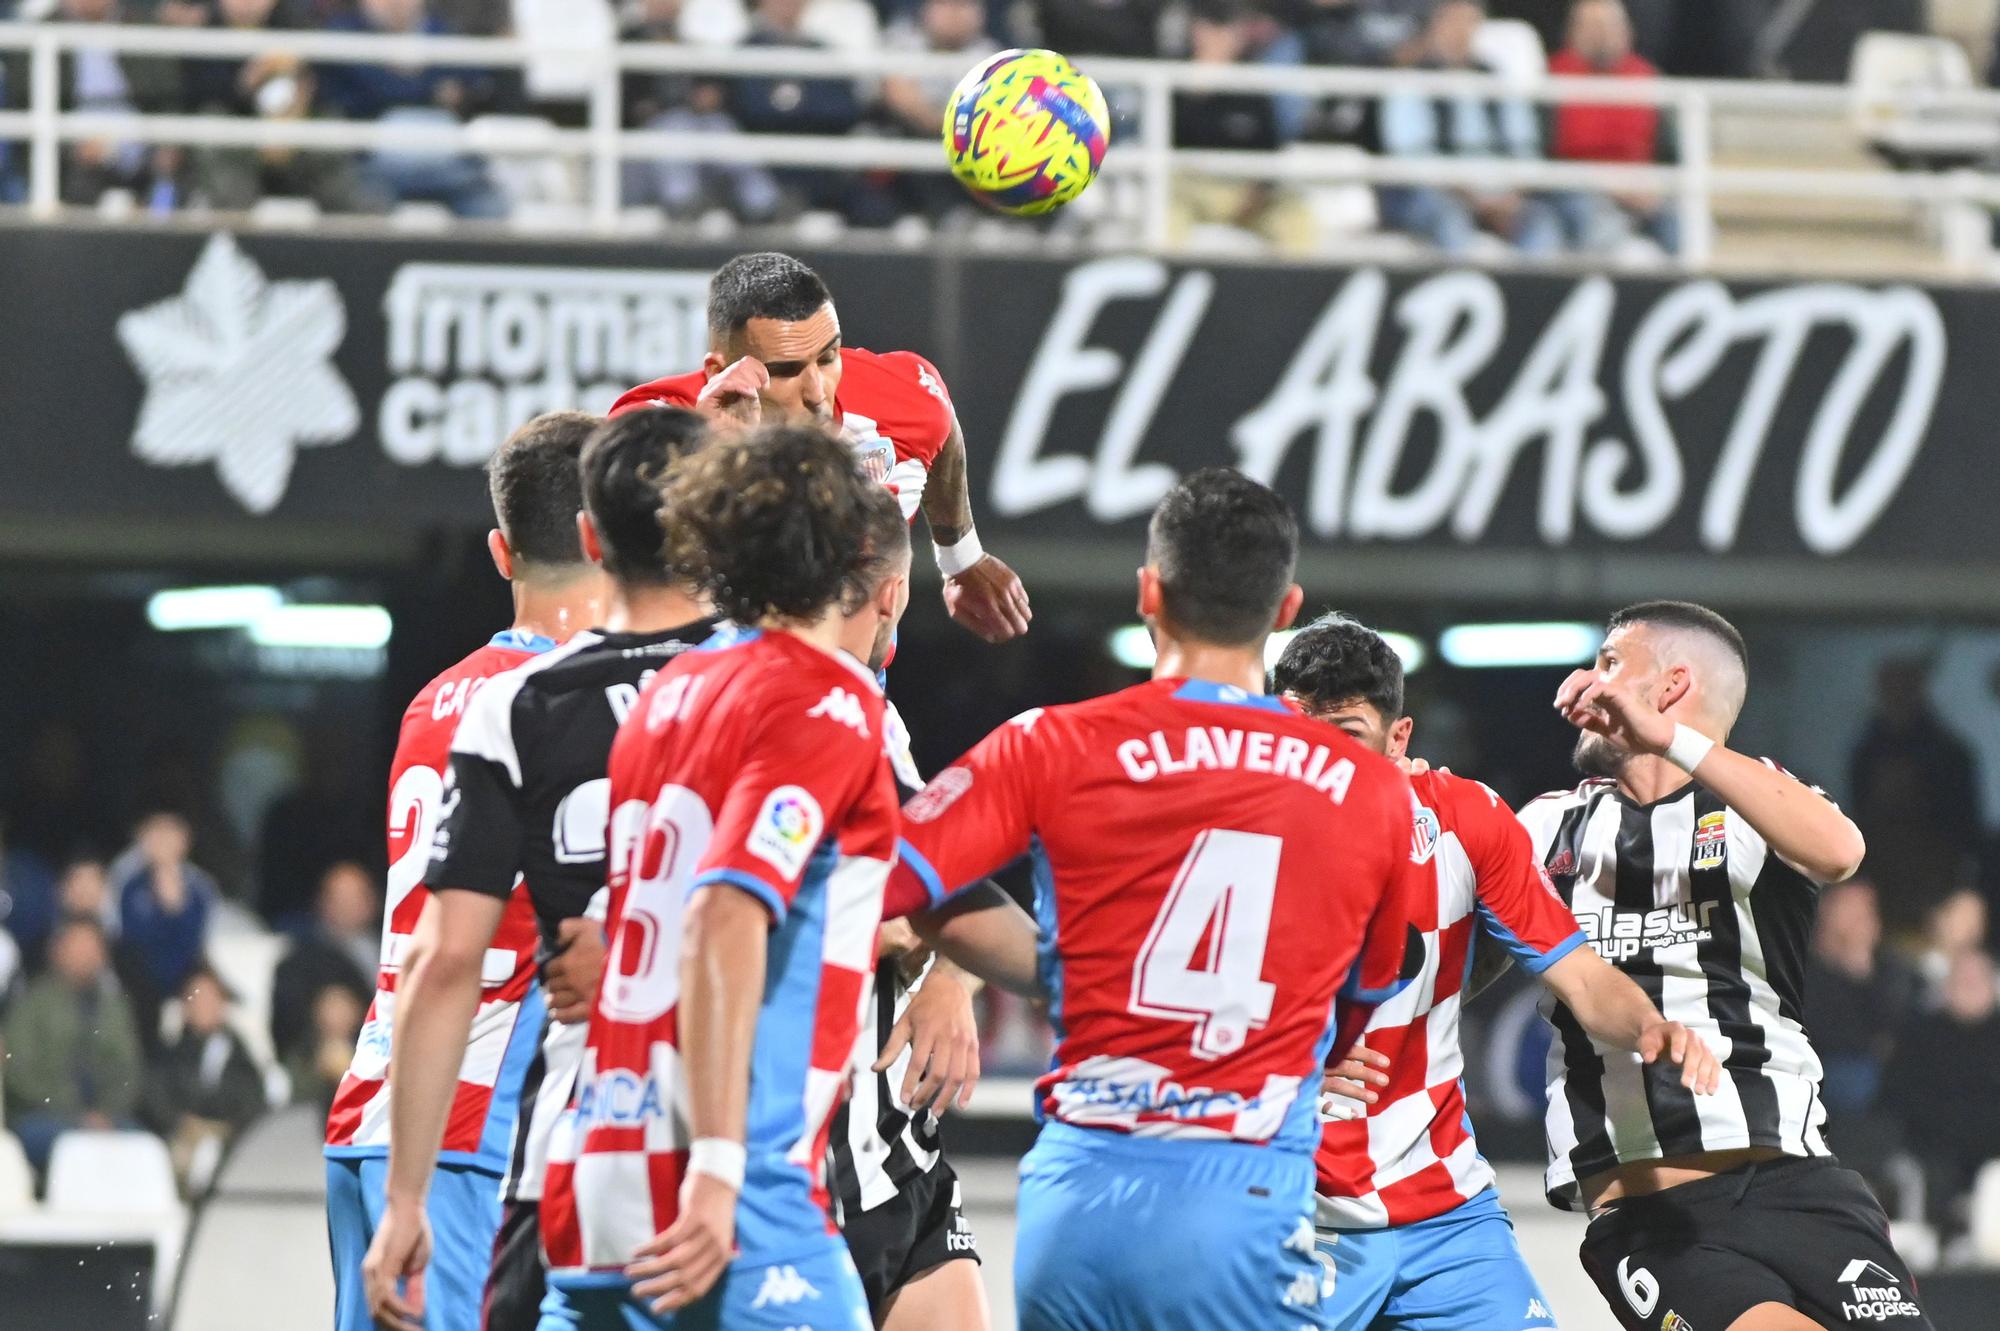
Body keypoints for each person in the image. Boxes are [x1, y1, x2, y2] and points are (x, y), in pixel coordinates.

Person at [881, 469, 1420, 1330]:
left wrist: (979, 961)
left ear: (1148, 592)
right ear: (1287, 608)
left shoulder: (1050, 743)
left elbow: (885, 876)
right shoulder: (1369, 788)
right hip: (1239, 1198)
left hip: (1075, 1201)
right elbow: (1369, 985)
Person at [521, 426, 915, 1331]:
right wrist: (719, 1166)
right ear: (857, 558)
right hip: (735, 1195)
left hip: (598, 1171)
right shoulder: (829, 697)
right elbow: (725, 910)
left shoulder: (667, 695)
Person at [363, 408, 726, 1331]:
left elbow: (437, 947)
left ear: (500, 549)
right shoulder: (755, 688)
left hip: (396, 1102)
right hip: (524, 1123)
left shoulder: (457, 698)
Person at [1273, 612, 1719, 1331]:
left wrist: (1649, 1024)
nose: (1323, 765)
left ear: (1399, 740)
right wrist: (1272, 1073)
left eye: (1347, 739)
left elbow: (1578, 972)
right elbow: (1147, 1017)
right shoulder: (1229, 842)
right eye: (1304, 739)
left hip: (1444, 1217)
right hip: (1286, 1211)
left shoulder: (1466, 820)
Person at [1519, 601, 1934, 1331]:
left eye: (1612, 663)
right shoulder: (1544, 825)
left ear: (1673, 686)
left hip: (1804, 1182)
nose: (1586, 678)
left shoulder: (1752, 799)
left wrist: (1669, 741)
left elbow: (1841, 850)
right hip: (1657, 1215)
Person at [323, 411, 610, 1331]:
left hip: (374, 1107)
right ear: (608, 537)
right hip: (473, 1129)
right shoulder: (585, 704)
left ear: (500, 550)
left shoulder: (433, 697)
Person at [610, 250, 1031, 647]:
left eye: (828, 357)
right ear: (719, 371)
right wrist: (719, 452)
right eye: (786, 371)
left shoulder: (902, 395)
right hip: (705, 685)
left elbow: (941, 428)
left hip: (854, 687)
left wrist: (960, 556)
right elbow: (632, 555)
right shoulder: (658, 425)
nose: (817, 393)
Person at [1376, 0, 1563, 256]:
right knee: (1448, 219)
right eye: (1452, 22)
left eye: (1468, 22)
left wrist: (1510, 195)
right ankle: (1464, 292)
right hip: (1440, 193)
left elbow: (1524, 147)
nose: (1460, 31)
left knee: (1541, 221)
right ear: (1434, 27)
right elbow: (1413, 158)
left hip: (1501, 193)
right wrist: (1472, 196)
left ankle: (1526, 293)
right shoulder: (1413, 79)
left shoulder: (1496, 79)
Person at [1850, 656, 1984, 934]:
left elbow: (1965, 828)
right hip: (1880, 879)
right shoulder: (1868, 752)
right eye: (1890, 687)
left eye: (1903, 687)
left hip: (1936, 885)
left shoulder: (1949, 755)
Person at [4, 914, 144, 1173]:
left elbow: (127, 1070)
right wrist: (75, 1114)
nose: (84, 955)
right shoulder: (32, 1003)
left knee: (142, 1146)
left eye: (91, 946)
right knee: (51, 1139)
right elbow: (18, 1071)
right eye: (77, 945)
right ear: (57, 950)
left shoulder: (115, 1007)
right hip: (45, 1117)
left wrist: (107, 1113)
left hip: (108, 1120)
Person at [1546, 0, 1680, 255]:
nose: (1602, 35)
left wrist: (1652, 186)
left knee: (1680, 220)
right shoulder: (1553, 78)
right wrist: (1605, 182)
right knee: (1591, 215)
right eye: (1593, 26)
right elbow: (1549, 151)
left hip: (1638, 186)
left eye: (1609, 26)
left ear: (1627, 31)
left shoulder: (1647, 77)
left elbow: (1670, 154)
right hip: (1577, 186)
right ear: (1573, 32)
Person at [1884, 948, 2000, 1239]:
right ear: (1946, 988)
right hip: (1935, 1150)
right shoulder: (1918, 1035)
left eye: (1977, 981)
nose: (1970, 988)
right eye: (1962, 981)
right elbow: (1901, 1098)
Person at [143, 962, 267, 1188]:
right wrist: (182, 1122)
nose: (203, 1006)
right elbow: (156, 1098)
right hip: (182, 1137)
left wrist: (224, 1127)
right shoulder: (170, 1053)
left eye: (210, 998)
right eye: (196, 998)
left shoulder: (240, 1056)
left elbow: (253, 1100)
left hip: (229, 1139)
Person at [1802, 879, 1917, 1118]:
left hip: (1879, 1073)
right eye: (1851, 907)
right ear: (1826, 909)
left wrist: (1861, 971)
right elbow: (1826, 1030)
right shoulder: (1803, 962)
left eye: (1867, 908)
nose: (1860, 917)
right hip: (1820, 1069)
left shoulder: (1887, 966)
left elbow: (1896, 1028)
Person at [116, 811, 218, 1049]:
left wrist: (176, 910)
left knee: (202, 989)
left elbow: (193, 940)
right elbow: (134, 936)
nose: (161, 844)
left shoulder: (199, 887)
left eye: (169, 836)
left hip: (183, 970)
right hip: (142, 973)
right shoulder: (130, 884)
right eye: (155, 836)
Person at [270, 861, 378, 1073]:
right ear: (322, 902)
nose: (347, 907)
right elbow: (287, 1023)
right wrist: (321, 1020)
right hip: (338, 1061)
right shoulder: (300, 961)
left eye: (355, 898)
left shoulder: (396, 947)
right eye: (339, 899)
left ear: (372, 902)